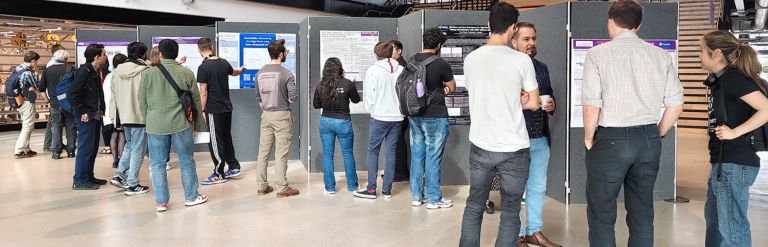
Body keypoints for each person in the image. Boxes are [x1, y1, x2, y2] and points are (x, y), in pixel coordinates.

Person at [581, 1, 684, 246]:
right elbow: (676, 104)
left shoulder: (597, 54)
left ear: (610, 21)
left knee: (602, 213)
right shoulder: (660, 55)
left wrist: (588, 137)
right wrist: (658, 132)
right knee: (642, 212)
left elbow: (592, 104)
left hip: (611, 140)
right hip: (648, 138)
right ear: (638, 25)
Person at [459, 2, 541, 246]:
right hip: (514, 149)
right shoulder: (521, 61)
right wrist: (520, 102)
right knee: (511, 210)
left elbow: (479, 93)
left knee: (474, 206)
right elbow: (535, 103)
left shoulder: (471, 59)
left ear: (488, 25)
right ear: (513, 28)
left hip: (481, 146)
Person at [700, 30, 768, 247]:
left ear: (717, 54)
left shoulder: (733, 79)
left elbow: (766, 108)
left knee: (733, 229)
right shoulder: (720, 82)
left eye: (702, 51)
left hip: (734, 164)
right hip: (723, 162)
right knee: (716, 223)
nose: (699, 55)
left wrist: (734, 132)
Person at [139, 39, 208, 212]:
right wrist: (199, 123)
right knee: (186, 161)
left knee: (157, 164)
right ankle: (191, 197)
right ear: (176, 53)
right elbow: (196, 100)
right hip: (181, 124)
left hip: (155, 125)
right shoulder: (186, 73)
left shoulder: (148, 73)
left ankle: (161, 202)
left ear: (160, 54)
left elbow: (142, 101)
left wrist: (148, 120)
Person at [509, 22, 561, 247]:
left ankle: (534, 231)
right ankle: (516, 235)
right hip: (516, 138)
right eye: (526, 39)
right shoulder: (507, 67)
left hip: (540, 137)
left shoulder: (541, 67)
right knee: (514, 189)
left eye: (534, 38)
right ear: (514, 41)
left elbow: (548, 95)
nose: (531, 43)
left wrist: (551, 105)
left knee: (538, 187)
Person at [408, 27, 456, 209]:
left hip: (414, 115)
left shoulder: (411, 61)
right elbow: (452, 87)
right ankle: (434, 198)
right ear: (439, 45)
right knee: (433, 157)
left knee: (417, 156)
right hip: (435, 115)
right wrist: (443, 88)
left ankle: (416, 197)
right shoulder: (441, 63)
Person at [353, 42, 404, 199]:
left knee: (373, 151)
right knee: (391, 152)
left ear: (377, 54)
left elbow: (369, 95)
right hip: (398, 117)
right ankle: (387, 190)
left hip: (380, 117)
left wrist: (373, 110)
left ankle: (371, 189)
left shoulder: (373, 70)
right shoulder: (401, 69)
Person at [196, 37, 246, 185]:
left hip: (213, 108)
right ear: (212, 47)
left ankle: (219, 173)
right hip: (226, 107)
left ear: (200, 50)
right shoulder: (223, 62)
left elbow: (203, 92)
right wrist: (241, 70)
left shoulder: (203, 67)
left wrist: (201, 110)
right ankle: (233, 166)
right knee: (225, 137)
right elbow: (234, 72)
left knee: (215, 141)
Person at [254, 39, 299, 198]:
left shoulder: (260, 73)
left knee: (263, 152)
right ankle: (282, 187)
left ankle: (262, 186)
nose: (286, 53)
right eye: (285, 51)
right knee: (281, 153)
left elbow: (258, 98)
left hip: (265, 115)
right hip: (282, 115)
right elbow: (293, 97)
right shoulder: (286, 74)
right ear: (280, 54)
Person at [109, 42, 152, 196]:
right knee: (138, 151)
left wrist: (115, 117)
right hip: (140, 116)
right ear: (143, 54)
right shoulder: (146, 71)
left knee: (130, 147)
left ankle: (120, 175)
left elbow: (113, 95)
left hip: (124, 116)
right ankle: (133, 183)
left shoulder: (116, 72)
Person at [313, 57, 361, 194]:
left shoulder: (320, 84)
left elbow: (316, 105)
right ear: (340, 68)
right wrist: (352, 87)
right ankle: (352, 186)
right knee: (347, 154)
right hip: (343, 122)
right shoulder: (347, 84)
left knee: (328, 154)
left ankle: (329, 188)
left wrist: (328, 100)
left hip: (326, 121)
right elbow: (356, 100)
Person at [69, 44, 109, 190]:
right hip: (87, 116)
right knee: (85, 148)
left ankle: (88, 176)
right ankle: (79, 180)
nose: (106, 56)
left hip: (95, 115)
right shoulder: (84, 71)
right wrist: (83, 111)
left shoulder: (94, 70)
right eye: (104, 54)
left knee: (92, 148)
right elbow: (72, 94)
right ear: (96, 57)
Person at [39, 49, 77, 159]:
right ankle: (71, 150)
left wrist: (47, 100)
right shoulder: (71, 69)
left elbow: (41, 88)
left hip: (55, 103)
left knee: (56, 126)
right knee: (71, 126)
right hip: (69, 103)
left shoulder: (48, 70)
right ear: (66, 58)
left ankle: (56, 151)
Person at [388, 40, 410, 182]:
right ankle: (397, 171)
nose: (390, 53)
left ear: (399, 51)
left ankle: (400, 172)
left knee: (398, 141)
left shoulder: (401, 67)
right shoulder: (399, 66)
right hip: (400, 109)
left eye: (393, 50)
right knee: (397, 141)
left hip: (400, 110)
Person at [13, 51, 41, 159]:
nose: (37, 64)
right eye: (36, 62)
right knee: (28, 126)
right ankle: (19, 150)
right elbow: (36, 86)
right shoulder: (28, 73)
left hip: (19, 100)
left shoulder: (18, 68)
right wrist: (36, 74)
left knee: (28, 125)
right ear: (33, 61)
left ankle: (26, 148)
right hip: (27, 101)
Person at [103, 54, 128, 168]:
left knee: (113, 135)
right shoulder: (121, 75)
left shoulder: (108, 76)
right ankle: (122, 159)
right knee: (122, 135)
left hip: (108, 111)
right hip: (119, 110)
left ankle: (115, 160)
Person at [44, 44, 66, 151]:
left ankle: (54, 143)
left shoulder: (50, 64)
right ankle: (50, 144)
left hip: (53, 98)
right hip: (55, 98)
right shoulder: (52, 65)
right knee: (54, 123)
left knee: (54, 122)